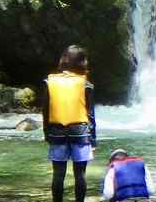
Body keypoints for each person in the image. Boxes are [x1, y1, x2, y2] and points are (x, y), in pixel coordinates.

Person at [42, 45, 96, 202]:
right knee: (80, 174)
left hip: (56, 131)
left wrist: (47, 133)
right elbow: (90, 115)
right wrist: (93, 140)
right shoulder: (86, 85)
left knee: (58, 174)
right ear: (81, 63)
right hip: (80, 132)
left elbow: (45, 110)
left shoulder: (49, 82)